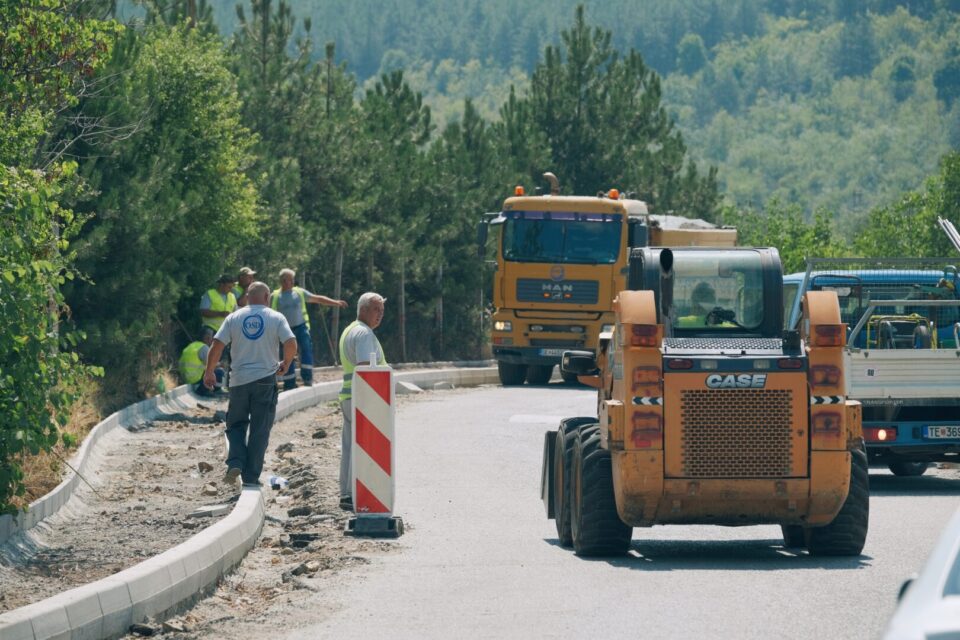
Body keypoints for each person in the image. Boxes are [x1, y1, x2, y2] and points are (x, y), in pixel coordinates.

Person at [203, 282, 297, 487]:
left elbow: (217, 345)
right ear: (266, 297)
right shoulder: (275, 317)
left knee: (235, 424)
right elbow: (290, 342)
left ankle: (235, 461)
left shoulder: (234, 317)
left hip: (238, 382)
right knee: (260, 429)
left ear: (247, 297)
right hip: (265, 380)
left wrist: (209, 371)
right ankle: (251, 477)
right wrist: (287, 363)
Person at [337, 292, 387, 511]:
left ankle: (347, 494)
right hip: (362, 398)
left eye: (382, 311)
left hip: (350, 396)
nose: (380, 315)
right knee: (360, 449)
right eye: (376, 310)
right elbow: (368, 368)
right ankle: (353, 494)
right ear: (363, 309)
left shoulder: (350, 329)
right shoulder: (364, 334)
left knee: (349, 446)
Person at [270, 268, 347, 390]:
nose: (290, 282)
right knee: (287, 356)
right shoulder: (275, 296)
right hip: (284, 330)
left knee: (306, 349)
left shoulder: (299, 293)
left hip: (301, 327)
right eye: (287, 280)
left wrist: (336, 302)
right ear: (282, 281)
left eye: (291, 280)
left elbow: (318, 299)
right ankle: (289, 383)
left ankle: (307, 378)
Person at [178, 328, 223, 396]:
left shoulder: (192, 345)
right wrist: (222, 364)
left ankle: (206, 388)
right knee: (219, 371)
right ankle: (204, 390)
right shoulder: (204, 347)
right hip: (195, 379)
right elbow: (212, 364)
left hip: (186, 378)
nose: (212, 339)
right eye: (212, 337)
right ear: (207, 338)